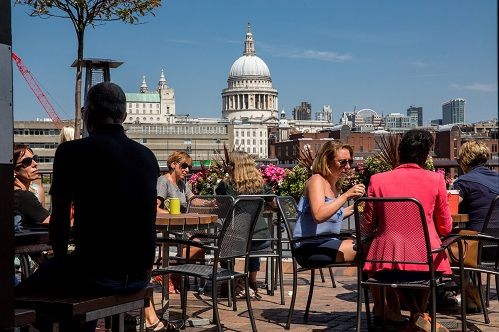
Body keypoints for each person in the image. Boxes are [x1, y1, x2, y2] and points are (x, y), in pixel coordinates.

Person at [16, 82, 160, 332]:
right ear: (124, 116)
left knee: (15, 298)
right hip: (139, 275)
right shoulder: (147, 156)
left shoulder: (72, 152)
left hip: (98, 275)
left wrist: (59, 261)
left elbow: (59, 223)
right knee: (78, 277)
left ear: (87, 114)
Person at [364, 129, 453, 332]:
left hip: (386, 265)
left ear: (400, 152)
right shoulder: (436, 180)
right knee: (425, 264)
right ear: (426, 155)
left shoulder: (377, 180)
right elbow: (446, 227)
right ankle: (418, 318)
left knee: (400, 268)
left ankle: (416, 319)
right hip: (426, 261)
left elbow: (367, 225)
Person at [293, 141, 361, 270]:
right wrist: (346, 196)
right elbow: (319, 215)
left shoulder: (332, 186)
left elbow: (334, 213)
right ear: (327, 161)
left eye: (349, 162)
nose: (347, 167)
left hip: (325, 242)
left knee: (371, 246)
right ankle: (372, 289)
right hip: (310, 247)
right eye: (342, 162)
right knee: (368, 251)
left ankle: (369, 289)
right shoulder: (317, 180)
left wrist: (357, 207)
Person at [215, 150, 274, 298]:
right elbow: (274, 202)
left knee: (225, 242)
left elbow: (220, 205)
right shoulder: (260, 185)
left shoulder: (226, 185)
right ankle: (252, 280)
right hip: (263, 240)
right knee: (252, 239)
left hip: (237, 240)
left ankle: (227, 281)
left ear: (234, 166)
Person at [453, 140, 499, 231]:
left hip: (479, 239)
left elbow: (447, 209)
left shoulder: (464, 182)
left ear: (464, 160)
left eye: (459, 161)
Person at [13, 144, 50, 228]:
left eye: (35, 159)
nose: (35, 164)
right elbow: (54, 223)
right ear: (15, 169)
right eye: (27, 161)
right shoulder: (23, 196)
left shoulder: (18, 194)